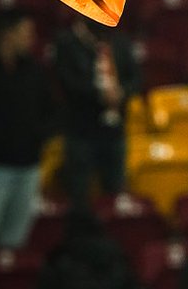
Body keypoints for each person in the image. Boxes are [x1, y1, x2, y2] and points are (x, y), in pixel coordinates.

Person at [53, 17, 141, 211]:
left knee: (114, 195)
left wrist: (121, 92)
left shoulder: (118, 41)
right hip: (81, 131)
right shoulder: (68, 43)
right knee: (79, 195)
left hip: (115, 132)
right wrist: (99, 94)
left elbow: (136, 78)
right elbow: (67, 83)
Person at [0, 8, 55, 253]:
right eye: (25, 33)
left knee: (14, 242)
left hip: (28, 168)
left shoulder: (34, 70)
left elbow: (51, 110)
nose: (31, 39)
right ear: (7, 34)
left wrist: (38, 137)